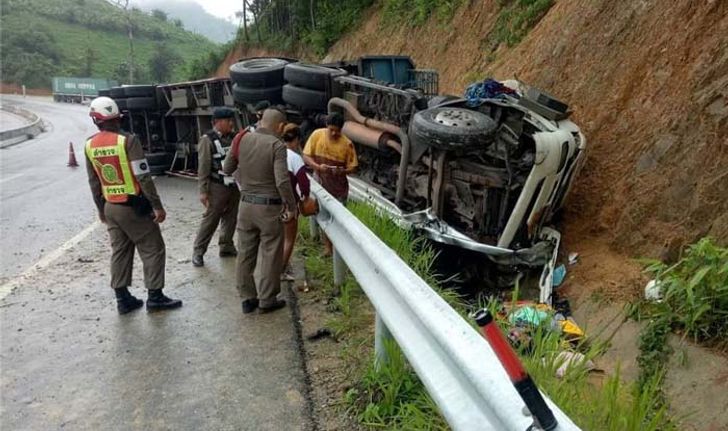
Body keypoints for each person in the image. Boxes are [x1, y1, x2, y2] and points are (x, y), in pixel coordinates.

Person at [84, 97, 182, 314]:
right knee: (153, 248)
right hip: (133, 206)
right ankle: (155, 297)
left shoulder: (89, 144)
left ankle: (122, 298)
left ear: (95, 120)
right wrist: (157, 206)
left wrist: (101, 209)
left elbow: (93, 182)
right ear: (118, 118)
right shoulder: (128, 141)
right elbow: (143, 176)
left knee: (120, 251)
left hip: (111, 206)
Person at [223, 108, 297, 314]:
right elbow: (282, 181)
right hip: (269, 207)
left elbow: (227, 168)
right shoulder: (277, 145)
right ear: (281, 127)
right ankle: (267, 299)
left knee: (245, 252)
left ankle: (247, 299)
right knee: (271, 252)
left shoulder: (241, 138)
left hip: (245, 205)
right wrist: (291, 207)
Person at [302, 112, 358, 255]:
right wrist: (317, 167)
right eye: (331, 129)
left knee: (339, 219)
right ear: (326, 126)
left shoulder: (347, 144)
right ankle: (328, 248)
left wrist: (342, 171)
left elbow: (353, 167)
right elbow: (306, 155)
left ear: (341, 130)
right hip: (320, 182)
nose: (333, 133)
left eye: (337, 131)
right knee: (323, 216)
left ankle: (341, 249)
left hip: (338, 187)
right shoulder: (317, 135)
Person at [191, 108, 240, 267]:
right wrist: (203, 191)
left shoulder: (234, 138)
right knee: (211, 219)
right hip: (216, 186)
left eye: (231, 120)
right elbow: (203, 166)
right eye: (228, 121)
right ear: (217, 122)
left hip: (233, 185)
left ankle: (226, 246)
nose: (231, 123)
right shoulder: (207, 140)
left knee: (231, 217)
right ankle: (198, 251)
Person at [281, 124, 311, 281]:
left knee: (275, 239)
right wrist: (305, 197)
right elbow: (304, 182)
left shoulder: (274, 152)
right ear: (297, 140)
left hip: (271, 203)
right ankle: (281, 271)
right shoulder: (294, 158)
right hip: (289, 203)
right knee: (288, 239)